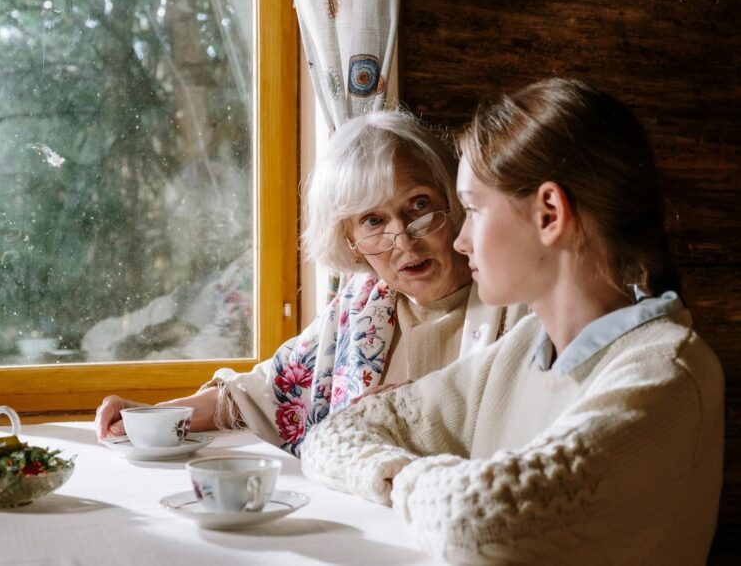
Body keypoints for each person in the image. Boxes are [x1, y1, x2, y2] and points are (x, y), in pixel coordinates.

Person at [300, 79, 724, 564]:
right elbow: (333, 435)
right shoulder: (526, 348)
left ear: (549, 214)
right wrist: (420, 477)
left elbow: (479, 519)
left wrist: (399, 474)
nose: (460, 240)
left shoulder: (666, 376)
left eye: (474, 210)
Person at [96, 110, 527, 456]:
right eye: (373, 220)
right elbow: (266, 393)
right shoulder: (363, 302)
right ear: (351, 240)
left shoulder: (516, 301)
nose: (402, 238)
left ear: (453, 202)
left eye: (419, 206)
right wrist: (152, 416)